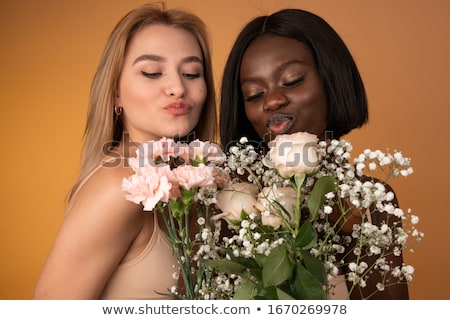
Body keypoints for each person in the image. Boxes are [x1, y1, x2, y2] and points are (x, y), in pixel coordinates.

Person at [219, 8, 409, 299]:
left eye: (292, 80)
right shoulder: (232, 202)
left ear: (331, 80)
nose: (272, 100)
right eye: (255, 94)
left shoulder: (369, 204)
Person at [33, 3, 217, 299]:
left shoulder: (201, 189)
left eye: (192, 73)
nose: (177, 87)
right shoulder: (116, 188)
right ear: (116, 91)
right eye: (152, 72)